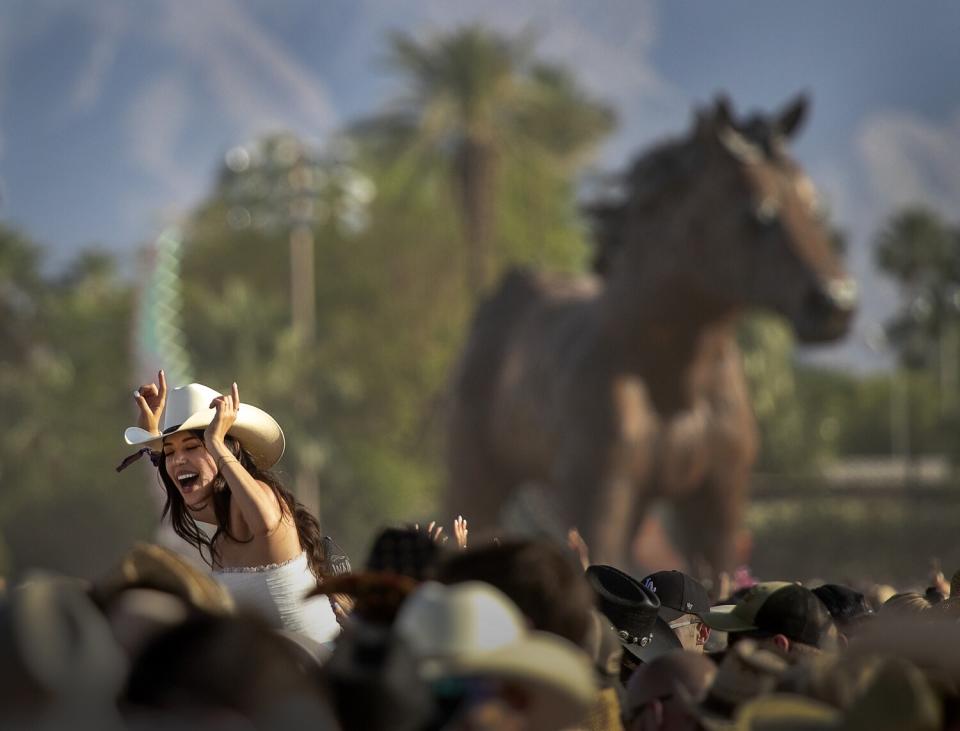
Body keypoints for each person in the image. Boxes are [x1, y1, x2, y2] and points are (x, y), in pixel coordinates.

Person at [119, 372, 339, 645]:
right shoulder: (222, 537)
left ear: (226, 449)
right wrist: (152, 434)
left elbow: (266, 522)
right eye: (171, 452)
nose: (177, 461)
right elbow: (175, 478)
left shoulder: (262, 498)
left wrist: (215, 443)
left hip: (322, 676)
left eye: (192, 447)